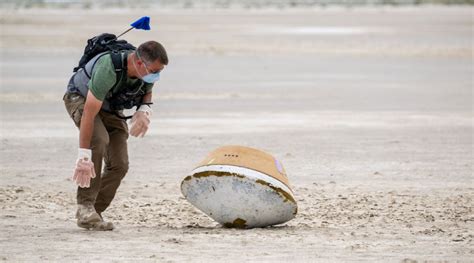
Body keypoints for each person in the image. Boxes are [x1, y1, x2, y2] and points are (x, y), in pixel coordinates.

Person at [63, 41, 168, 230]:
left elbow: (146, 91)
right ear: (138, 62)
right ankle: (85, 206)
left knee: (120, 164)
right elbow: (89, 113)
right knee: (99, 139)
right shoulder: (108, 69)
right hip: (82, 100)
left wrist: (144, 109)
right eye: (154, 71)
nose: (156, 76)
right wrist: (84, 155)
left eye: (159, 71)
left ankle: (94, 211)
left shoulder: (145, 73)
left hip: (110, 108)